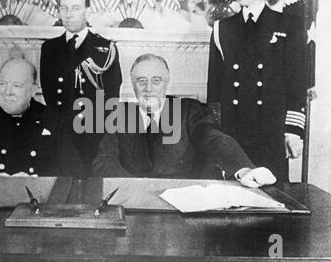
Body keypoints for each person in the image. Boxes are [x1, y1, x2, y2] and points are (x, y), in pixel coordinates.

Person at [92, 54, 277, 189]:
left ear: (167, 83)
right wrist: (135, 187)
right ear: (132, 86)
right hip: (133, 200)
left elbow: (215, 138)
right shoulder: (120, 115)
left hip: (182, 202)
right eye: (141, 81)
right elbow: (102, 162)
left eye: (156, 81)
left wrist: (243, 169)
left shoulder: (188, 109)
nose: (148, 88)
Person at [207, 0, 307, 182]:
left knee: (271, 200)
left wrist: (293, 131)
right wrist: (214, 134)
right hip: (232, 133)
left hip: (270, 131)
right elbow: (214, 89)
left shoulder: (288, 25)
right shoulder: (221, 28)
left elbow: (297, 83)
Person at [40, 0, 122, 173]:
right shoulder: (50, 49)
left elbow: (111, 97)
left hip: (94, 133)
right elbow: (50, 96)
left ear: (88, 11)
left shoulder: (104, 48)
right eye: (64, 8)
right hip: (61, 134)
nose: (68, 14)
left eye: (75, 8)